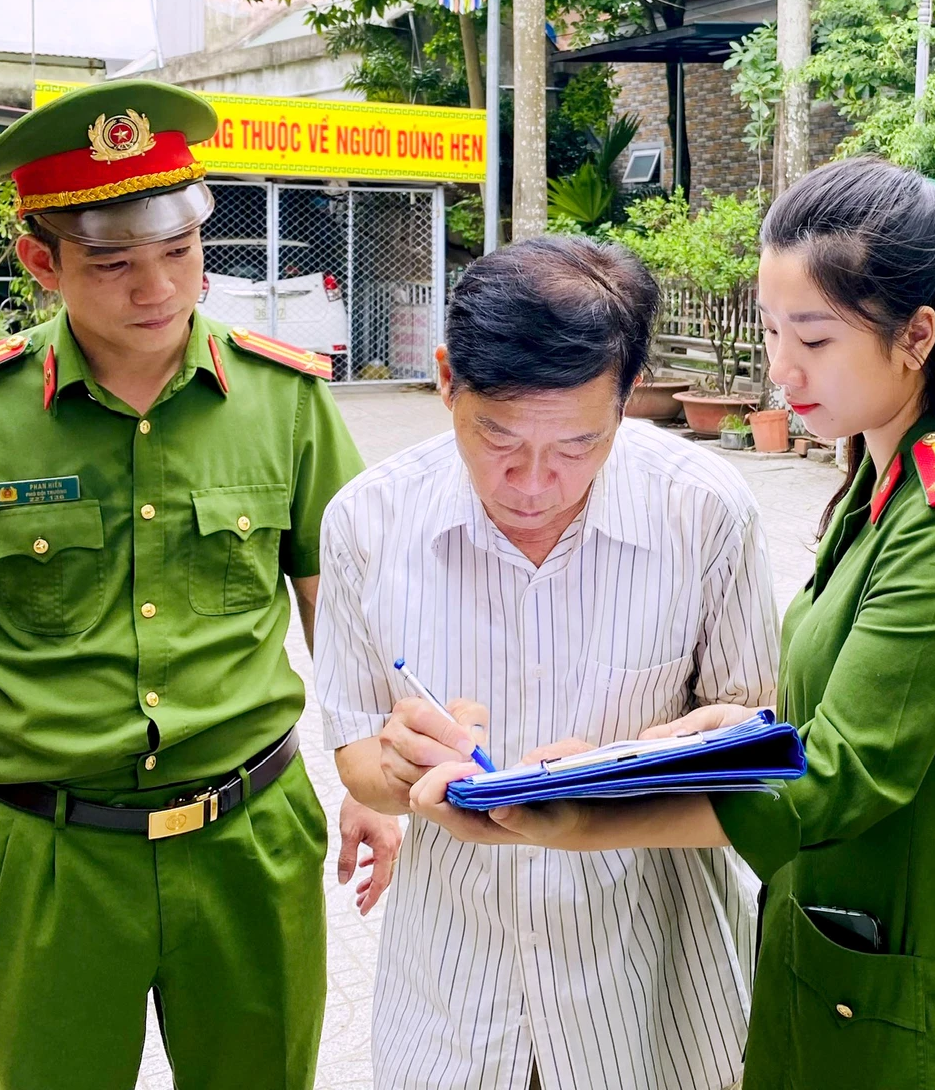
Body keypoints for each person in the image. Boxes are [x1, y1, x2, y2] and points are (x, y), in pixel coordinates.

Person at [402, 157, 935, 1090]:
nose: (781, 371)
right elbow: (828, 713)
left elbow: (839, 779)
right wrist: (729, 733)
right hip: (832, 986)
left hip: (926, 1032)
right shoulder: (881, 490)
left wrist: (582, 812)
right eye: (773, 332)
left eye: (813, 339)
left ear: (917, 334)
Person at [0, 79, 395, 1090]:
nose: (158, 290)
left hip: (249, 838)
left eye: (178, 253)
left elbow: (336, 602)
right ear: (41, 260)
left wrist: (373, 775)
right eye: (114, 262)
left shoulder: (284, 401)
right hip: (45, 858)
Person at [314, 235, 780, 1090]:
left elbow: (752, 756)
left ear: (628, 397)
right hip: (455, 1003)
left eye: (576, 445)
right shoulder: (366, 524)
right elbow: (354, 757)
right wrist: (395, 764)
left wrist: (641, 768)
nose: (533, 482)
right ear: (448, 378)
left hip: (649, 997)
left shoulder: (705, 514)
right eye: (497, 437)